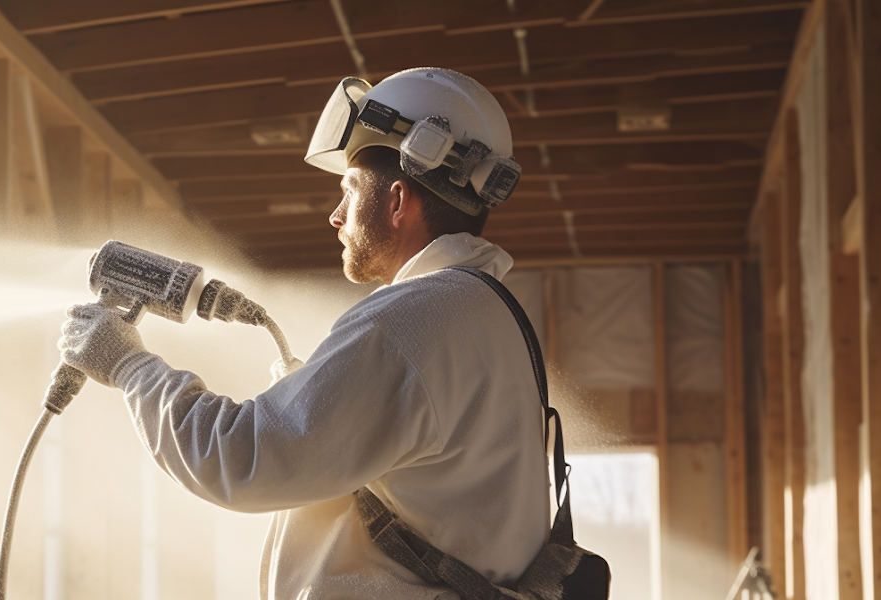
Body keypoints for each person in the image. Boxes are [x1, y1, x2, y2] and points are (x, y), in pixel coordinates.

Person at [57, 68, 549, 599]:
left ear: (398, 201)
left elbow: (241, 458)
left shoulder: (411, 319)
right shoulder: (486, 312)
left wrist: (129, 367)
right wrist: (315, 396)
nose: (336, 217)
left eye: (350, 189)